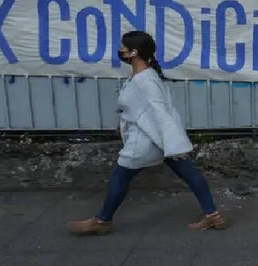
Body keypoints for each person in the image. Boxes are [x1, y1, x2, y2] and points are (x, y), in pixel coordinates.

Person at [67, 31, 225, 235]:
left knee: (120, 175)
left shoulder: (145, 81)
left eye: (122, 47)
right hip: (157, 139)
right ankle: (213, 215)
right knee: (187, 172)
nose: (119, 50)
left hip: (146, 141)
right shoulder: (144, 76)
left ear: (133, 53)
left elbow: (160, 113)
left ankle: (102, 220)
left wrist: (174, 142)